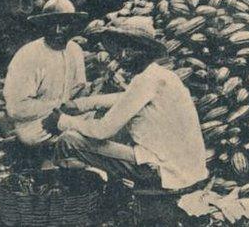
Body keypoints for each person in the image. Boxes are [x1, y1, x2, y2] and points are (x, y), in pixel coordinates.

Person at [49, 17, 208, 191]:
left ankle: (74, 198)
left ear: (146, 50)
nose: (123, 55)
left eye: (131, 49)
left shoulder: (146, 79)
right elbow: (125, 99)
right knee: (109, 127)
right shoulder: (161, 75)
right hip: (186, 169)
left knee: (68, 140)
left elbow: (103, 130)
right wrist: (81, 104)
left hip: (165, 171)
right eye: (122, 48)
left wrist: (61, 121)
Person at [4, 0, 89, 147]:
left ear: (72, 25)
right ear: (43, 26)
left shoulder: (75, 50)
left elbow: (80, 88)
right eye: (51, 25)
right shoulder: (28, 55)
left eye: (63, 25)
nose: (57, 31)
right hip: (36, 124)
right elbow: (15, 109)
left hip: (68, 117)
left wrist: (71, 110)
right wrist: (58, 107)